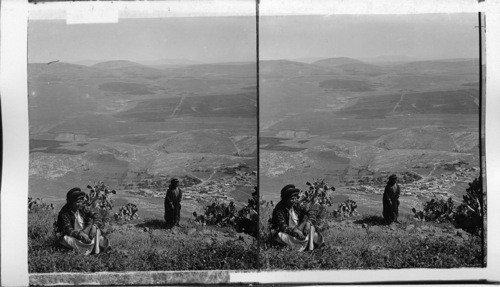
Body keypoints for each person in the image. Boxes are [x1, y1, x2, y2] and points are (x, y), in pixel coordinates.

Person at [56, 187, 109, 255]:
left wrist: (94, 226)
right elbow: (68, 230)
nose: (80, 204)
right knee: (66, 240)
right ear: (71, 202)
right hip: (73, 236)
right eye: (77, 202)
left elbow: (97, 216)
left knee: (97, 232)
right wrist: (80, 234)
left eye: (81, 201)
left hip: (85, 232)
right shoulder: (64, 213)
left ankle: (96, 251)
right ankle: (92, 250)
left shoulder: (82, 208)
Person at [271, 184, 323, 251]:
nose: (294, 200)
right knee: (280, 237)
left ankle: (307, 246)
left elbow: (311, 213)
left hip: (300, 230)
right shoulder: (279, 209)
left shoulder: (297, 204)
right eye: (292, 199)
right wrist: (294, 231)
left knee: (315, 235)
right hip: (288, 233)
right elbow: (282, 226)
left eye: (295, 198)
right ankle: (305, 246)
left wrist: (308, 222)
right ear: (286, 199)